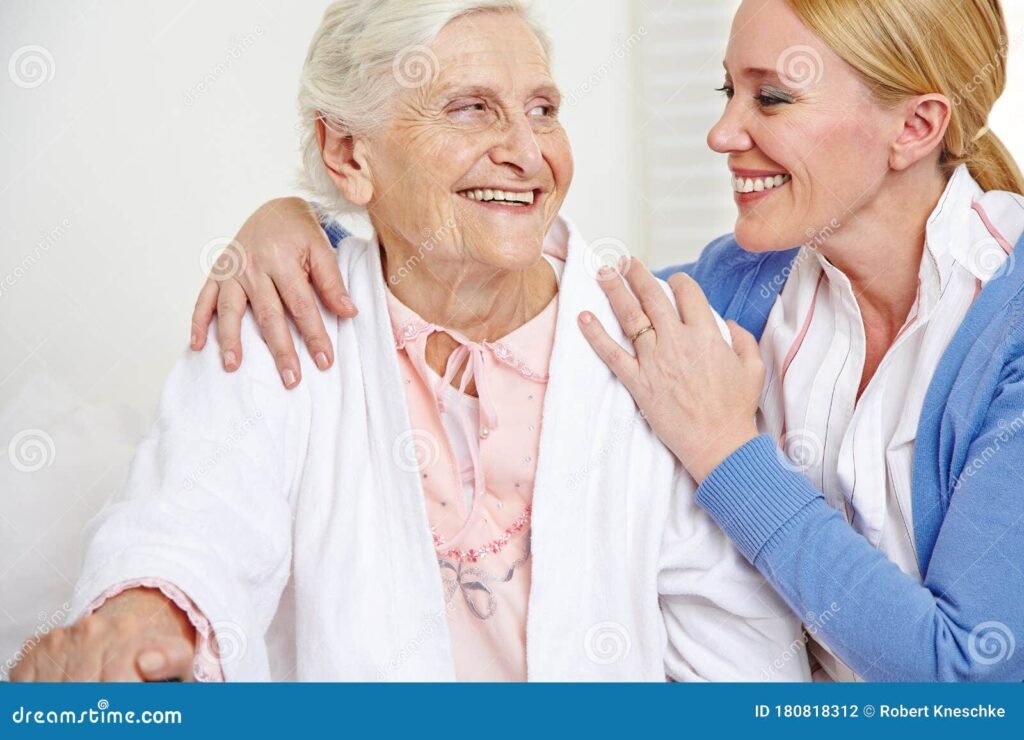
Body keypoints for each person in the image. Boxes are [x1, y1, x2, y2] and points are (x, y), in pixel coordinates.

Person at [190, 0, 1024, 681]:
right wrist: (302, 223)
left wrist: (728, 452)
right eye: (726, 90)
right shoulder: (742, 289)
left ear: (916, 128)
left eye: (772, 98)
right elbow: (518, 284)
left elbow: (972, 682)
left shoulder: (1007, 330)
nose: (723, 133)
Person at [11, 0, 806, 683]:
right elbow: (194, 520)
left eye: (542, 109)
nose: (528, 153)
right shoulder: (279, 316)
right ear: (349, 154)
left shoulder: (654, 344)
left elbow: (739, 659)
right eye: (471, 109)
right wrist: (143, 622)